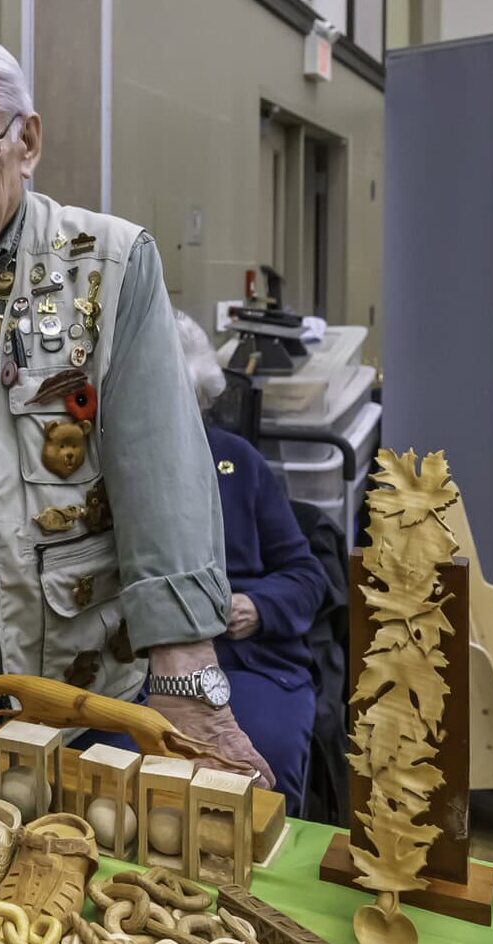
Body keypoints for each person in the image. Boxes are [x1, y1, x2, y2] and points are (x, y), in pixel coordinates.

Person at [0, 35, 271, 783]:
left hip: (73, 701)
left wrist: (187, 684)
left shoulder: (111, 263)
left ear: (28, 141)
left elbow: (162, 476)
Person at [175, 310, 330, 812]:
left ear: (200, 397)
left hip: (247, 658)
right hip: (140, 665)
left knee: (260, 770)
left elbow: (307, 576)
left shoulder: (238, 461)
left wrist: (256, 606)